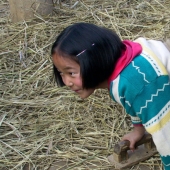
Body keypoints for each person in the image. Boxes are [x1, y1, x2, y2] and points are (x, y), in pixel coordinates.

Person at [51, 22, 170, 170]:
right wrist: (138, 131)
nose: (67, 82)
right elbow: (135, 103)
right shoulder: (122, 72)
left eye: (71, 73)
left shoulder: (140, 84)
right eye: (61, 73)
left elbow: (166, 133)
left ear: (94, 61)